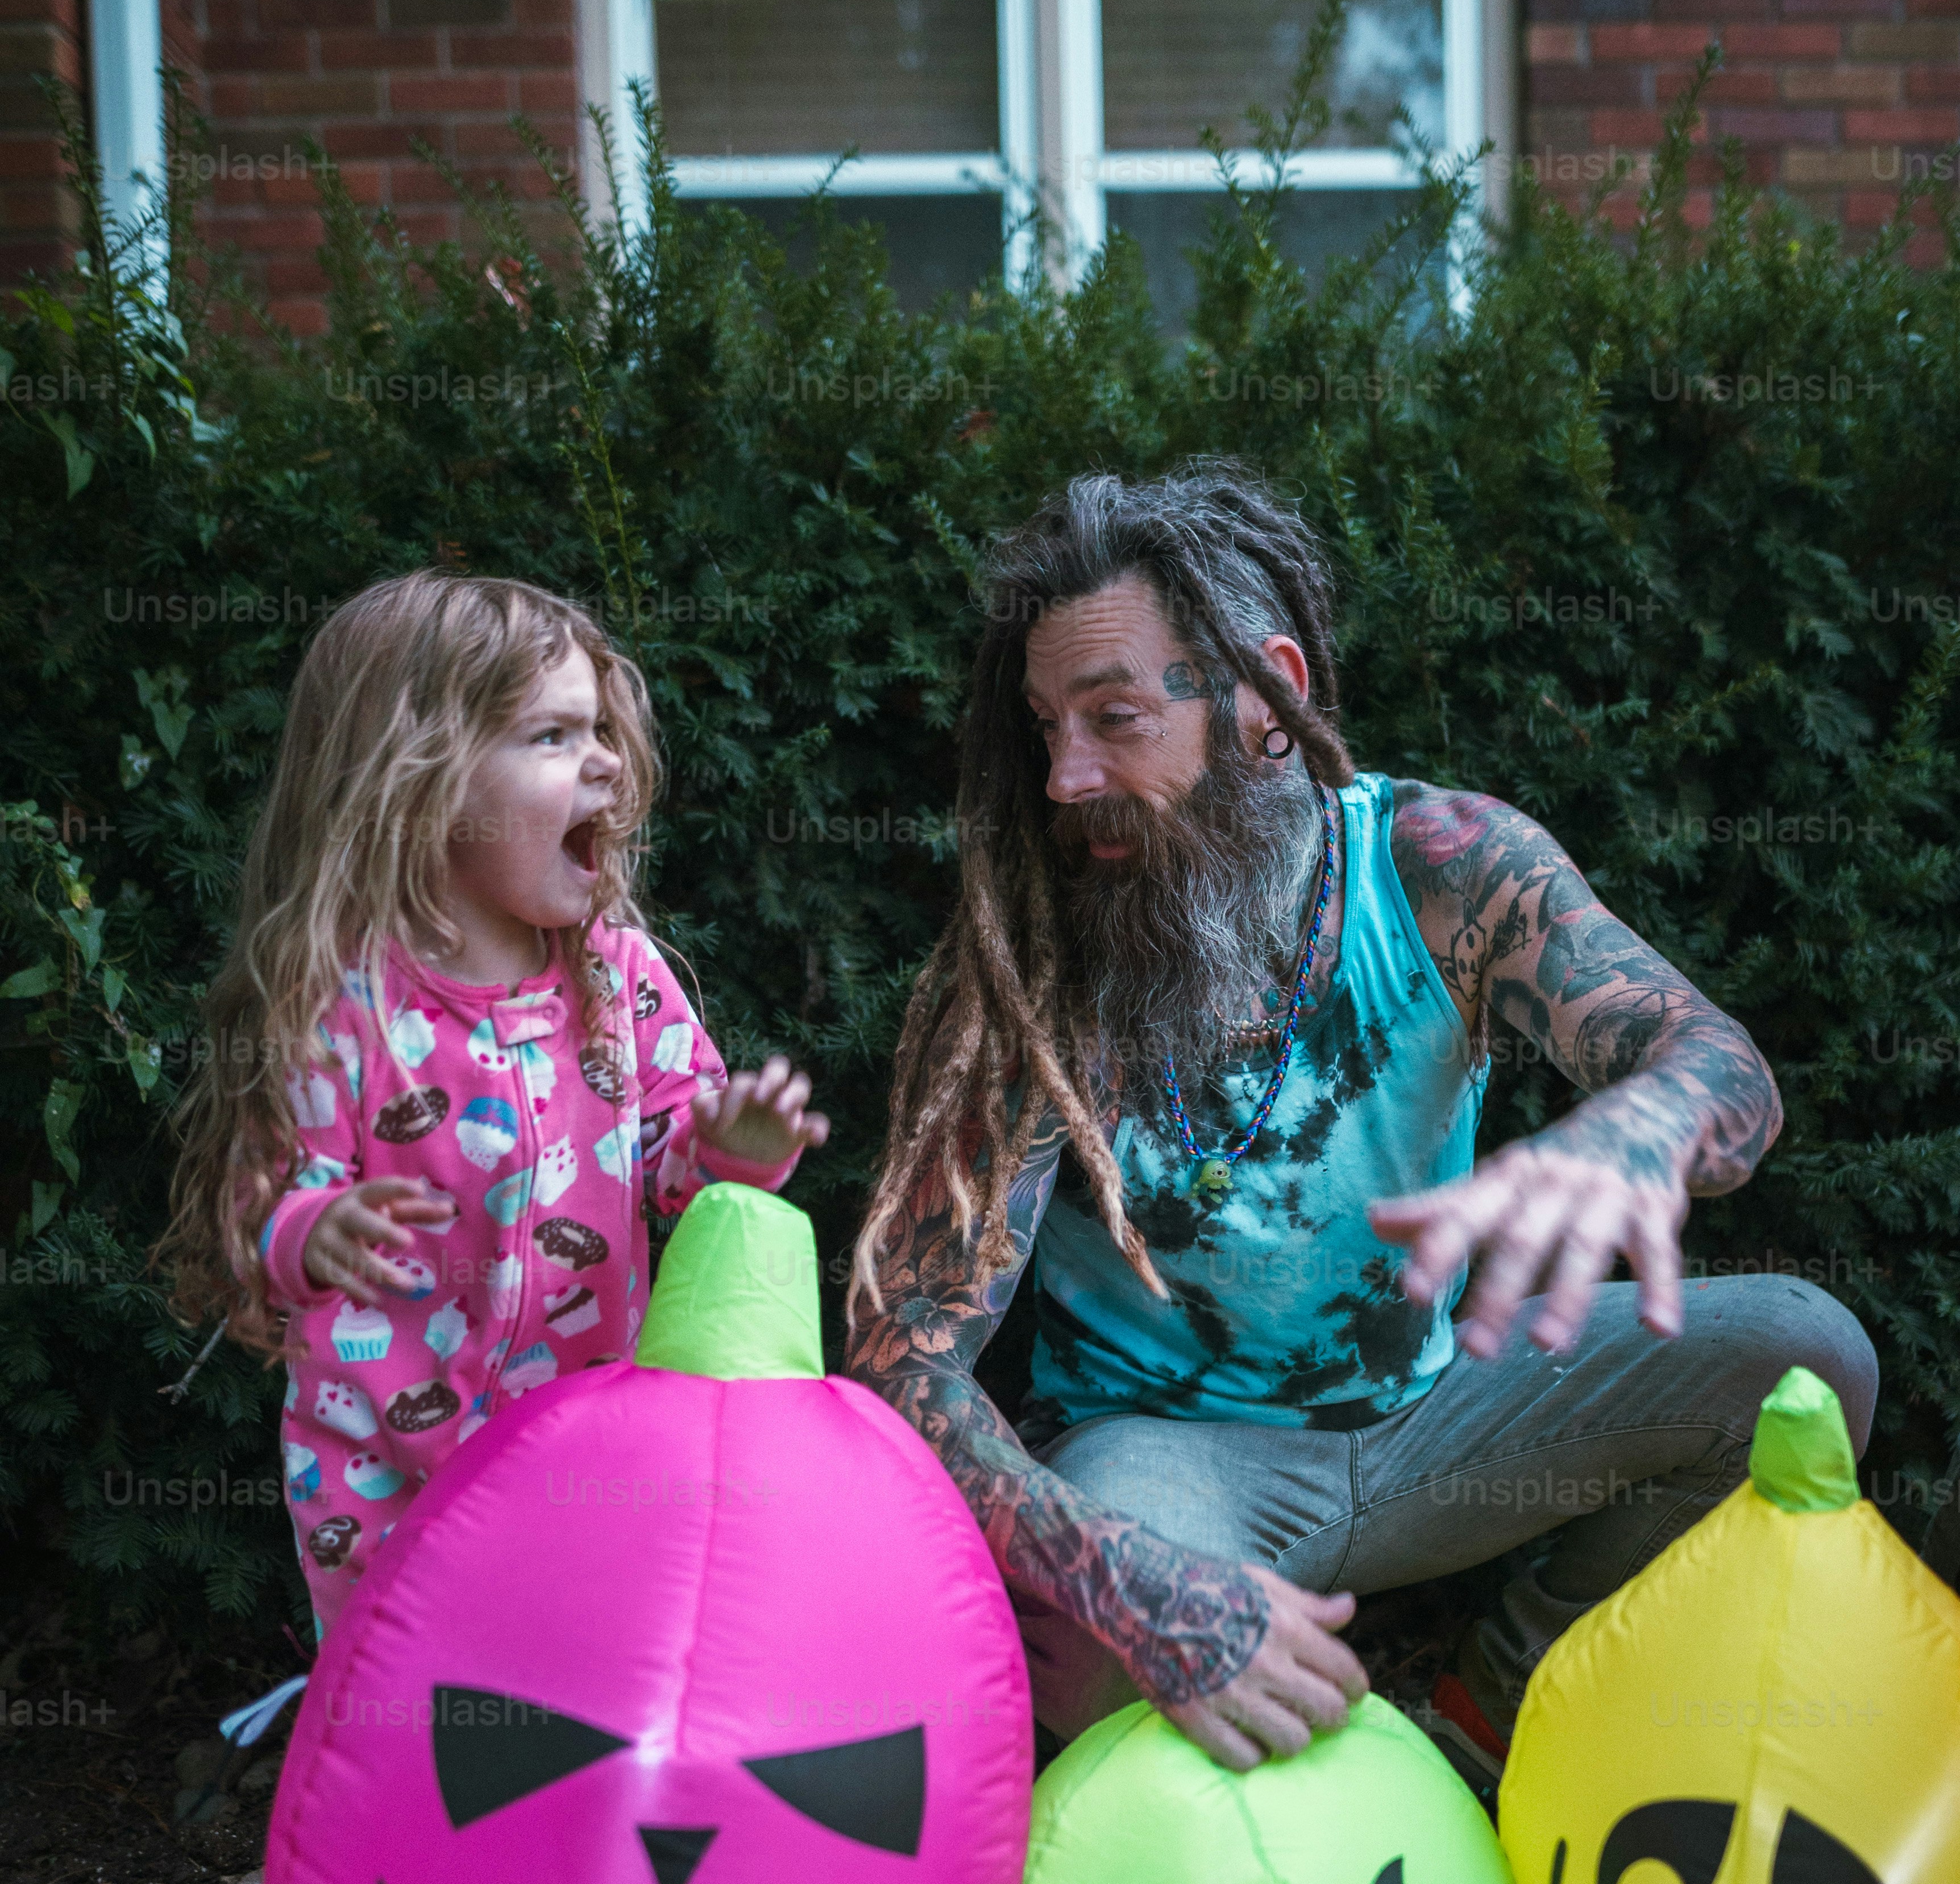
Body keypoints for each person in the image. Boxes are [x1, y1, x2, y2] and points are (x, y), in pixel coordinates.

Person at [844, 467, 1876, 1788]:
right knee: (1111, 1663)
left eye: (1113, 719)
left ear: (1265, 699)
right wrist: (1132, 1581)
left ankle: (1495, 1700)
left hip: (1442, 1419)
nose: (1063, 776)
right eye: (1047, 727)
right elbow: (901, 1359)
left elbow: (1718, 1066)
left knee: (1801, 1356)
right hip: (1169, 1466)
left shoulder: (1439, 868)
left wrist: (1630, 1135)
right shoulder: (1035, 954)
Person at [163, 570, 828, 1638]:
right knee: (410, 1704)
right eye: (554, 736)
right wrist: (315, 1229)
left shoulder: (615, 978)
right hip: (382, 1478)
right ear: (420, 780)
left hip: (586, 1461)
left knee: (579, 1679)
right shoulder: (345, 1007)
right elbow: (258, 1209)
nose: (606, 760)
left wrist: (733, 1149)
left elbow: (674, 1160)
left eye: (601, 730)